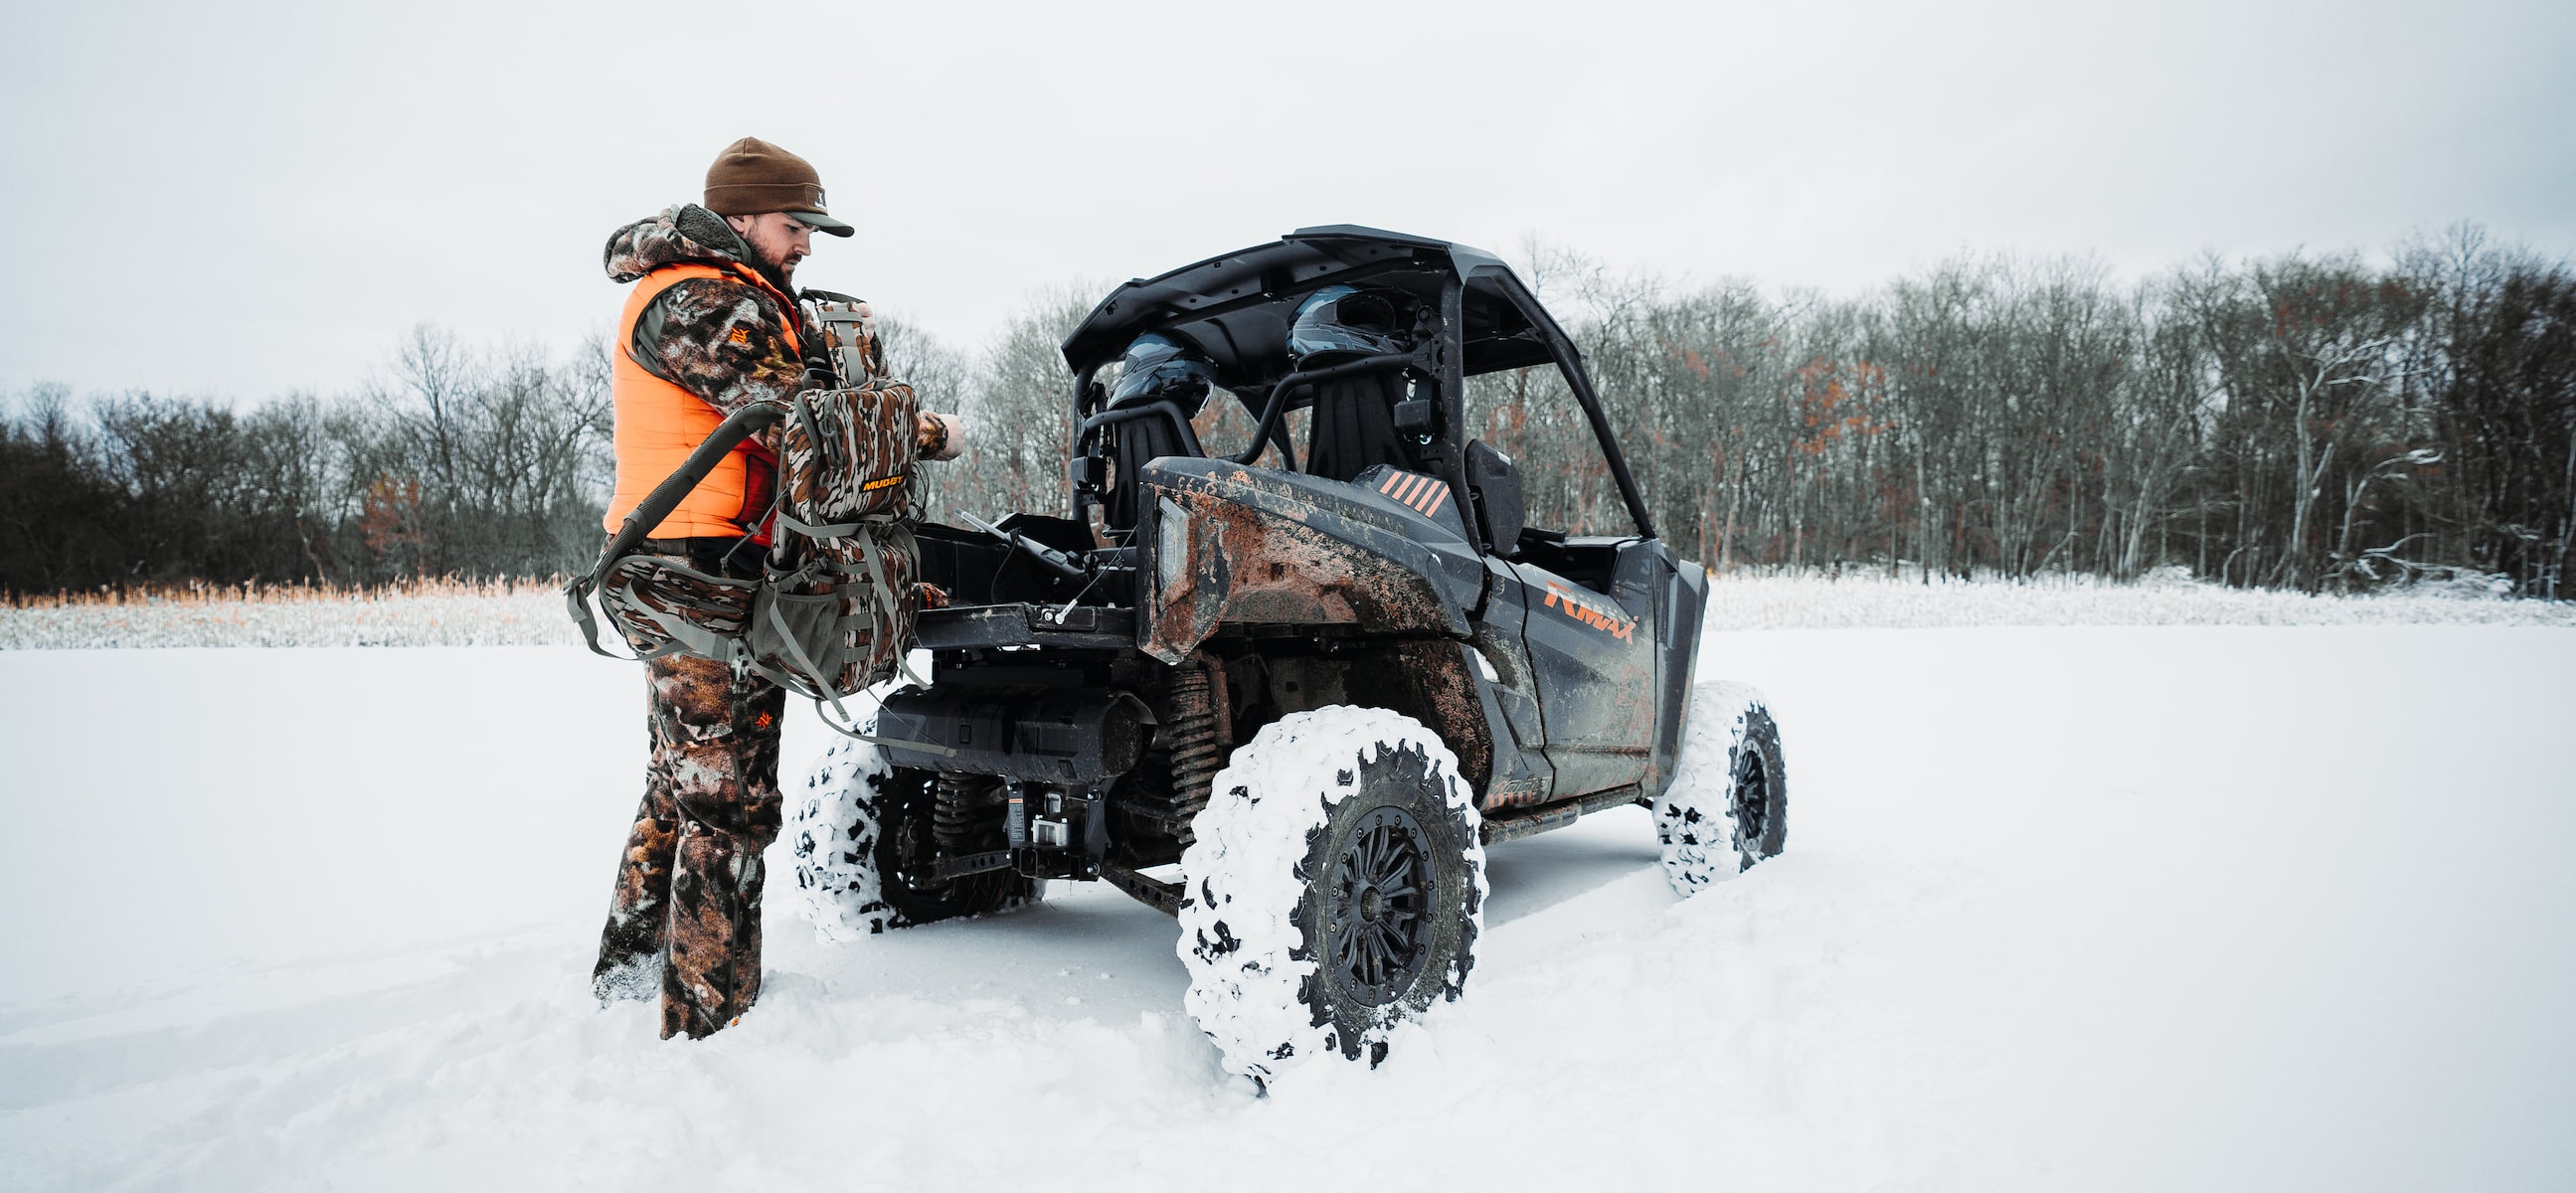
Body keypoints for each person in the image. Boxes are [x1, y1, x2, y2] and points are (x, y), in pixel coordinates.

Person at [590, 136, 961, 1040]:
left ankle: (630, 986)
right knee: (729, 801)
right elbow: (805, 424)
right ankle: (710, 1026)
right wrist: (924, 431)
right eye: (795, 226)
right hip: (694, 576)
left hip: (711, 571)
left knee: (681, 787)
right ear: (742, 217)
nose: (806, 245)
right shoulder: (700, 302)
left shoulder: (733, 295)